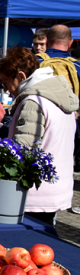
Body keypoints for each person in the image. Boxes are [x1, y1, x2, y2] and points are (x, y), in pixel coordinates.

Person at [0, 46, 79, 225]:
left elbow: (21, 150)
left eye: (4, 83)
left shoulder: (33, 102)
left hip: (35, 193)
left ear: (21, 76)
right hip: (57, 187)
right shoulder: (59, 95)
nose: (6, 90)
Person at [36, 25, 80, 175]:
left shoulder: (34, 62)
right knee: (63, 157)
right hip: (68, 118)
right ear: (70, 43)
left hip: (37, 115)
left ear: (46, 41)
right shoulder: (76, 66)